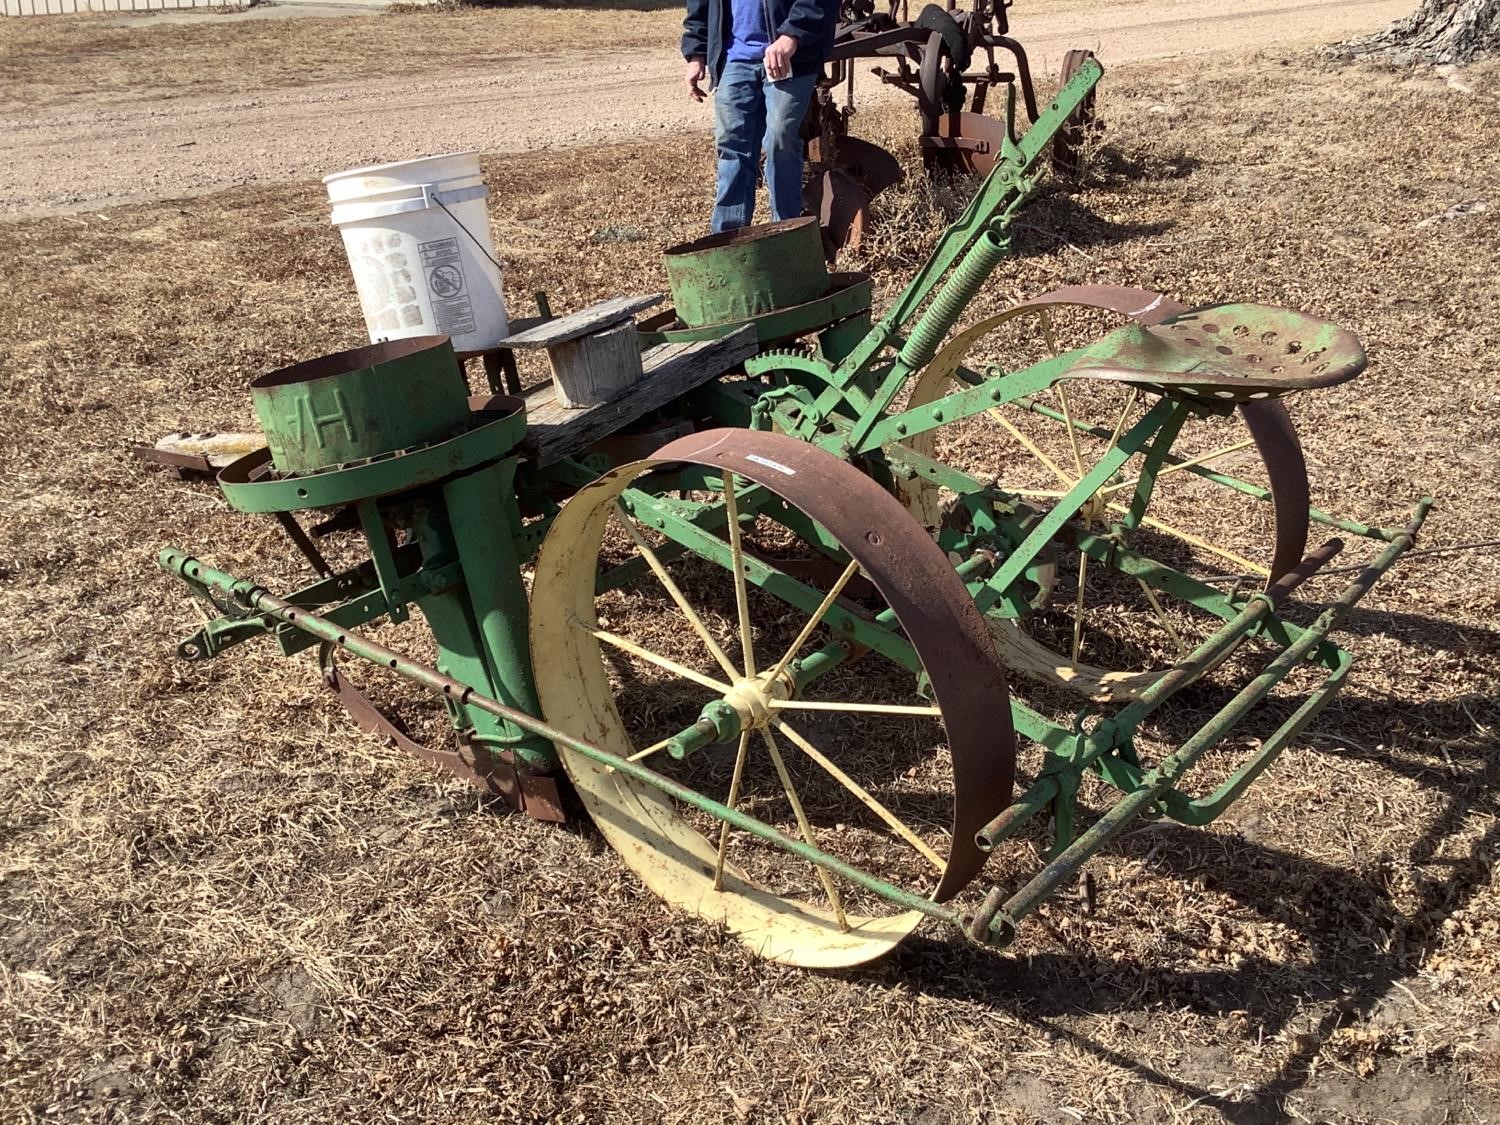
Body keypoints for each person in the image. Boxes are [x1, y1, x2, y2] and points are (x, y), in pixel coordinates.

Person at [681, 0, 840, 234]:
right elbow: (700, 5)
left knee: (779, 139)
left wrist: (791, 35)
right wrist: (697, 52)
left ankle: (787, 231)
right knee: (732, 144)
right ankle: (728, 239)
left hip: (791, 58)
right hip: (734, 58)